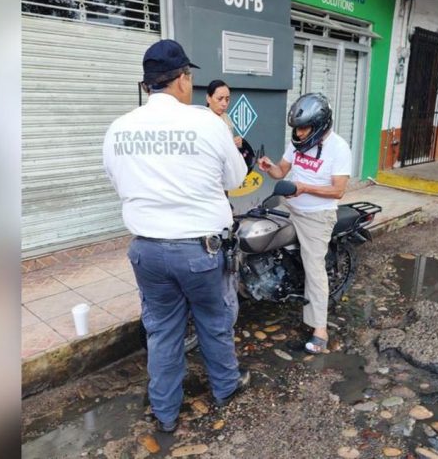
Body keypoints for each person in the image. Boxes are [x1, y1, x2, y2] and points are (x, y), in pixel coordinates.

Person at [102, 39, 251, 434]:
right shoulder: (208, 124)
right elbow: (236, 179)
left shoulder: (118, 129)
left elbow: (118, 183)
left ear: (147, 83)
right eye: (190, 77)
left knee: (162, 332)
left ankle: (165, 413)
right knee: (213, 321)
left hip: (147, 252)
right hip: (200, 251)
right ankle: (225, 387)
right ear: (183, 79)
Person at [256, 93, 351, 354]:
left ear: (319, 125)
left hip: (317, 216)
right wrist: (269, 167)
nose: (298, 133)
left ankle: (320, 329)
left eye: (304, 128)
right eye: (296, 129)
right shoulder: (297, 144)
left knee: (314, 268)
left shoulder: (339, 148)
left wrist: (304, 188)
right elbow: (281, 172)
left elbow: (338, 191)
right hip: (289, 208)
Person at [205, 79, 243, 148]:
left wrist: (235, 144)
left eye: (227, 99)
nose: (224, 104)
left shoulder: (227, 118)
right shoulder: (201, 120)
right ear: (208, 98)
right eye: (220, 99)